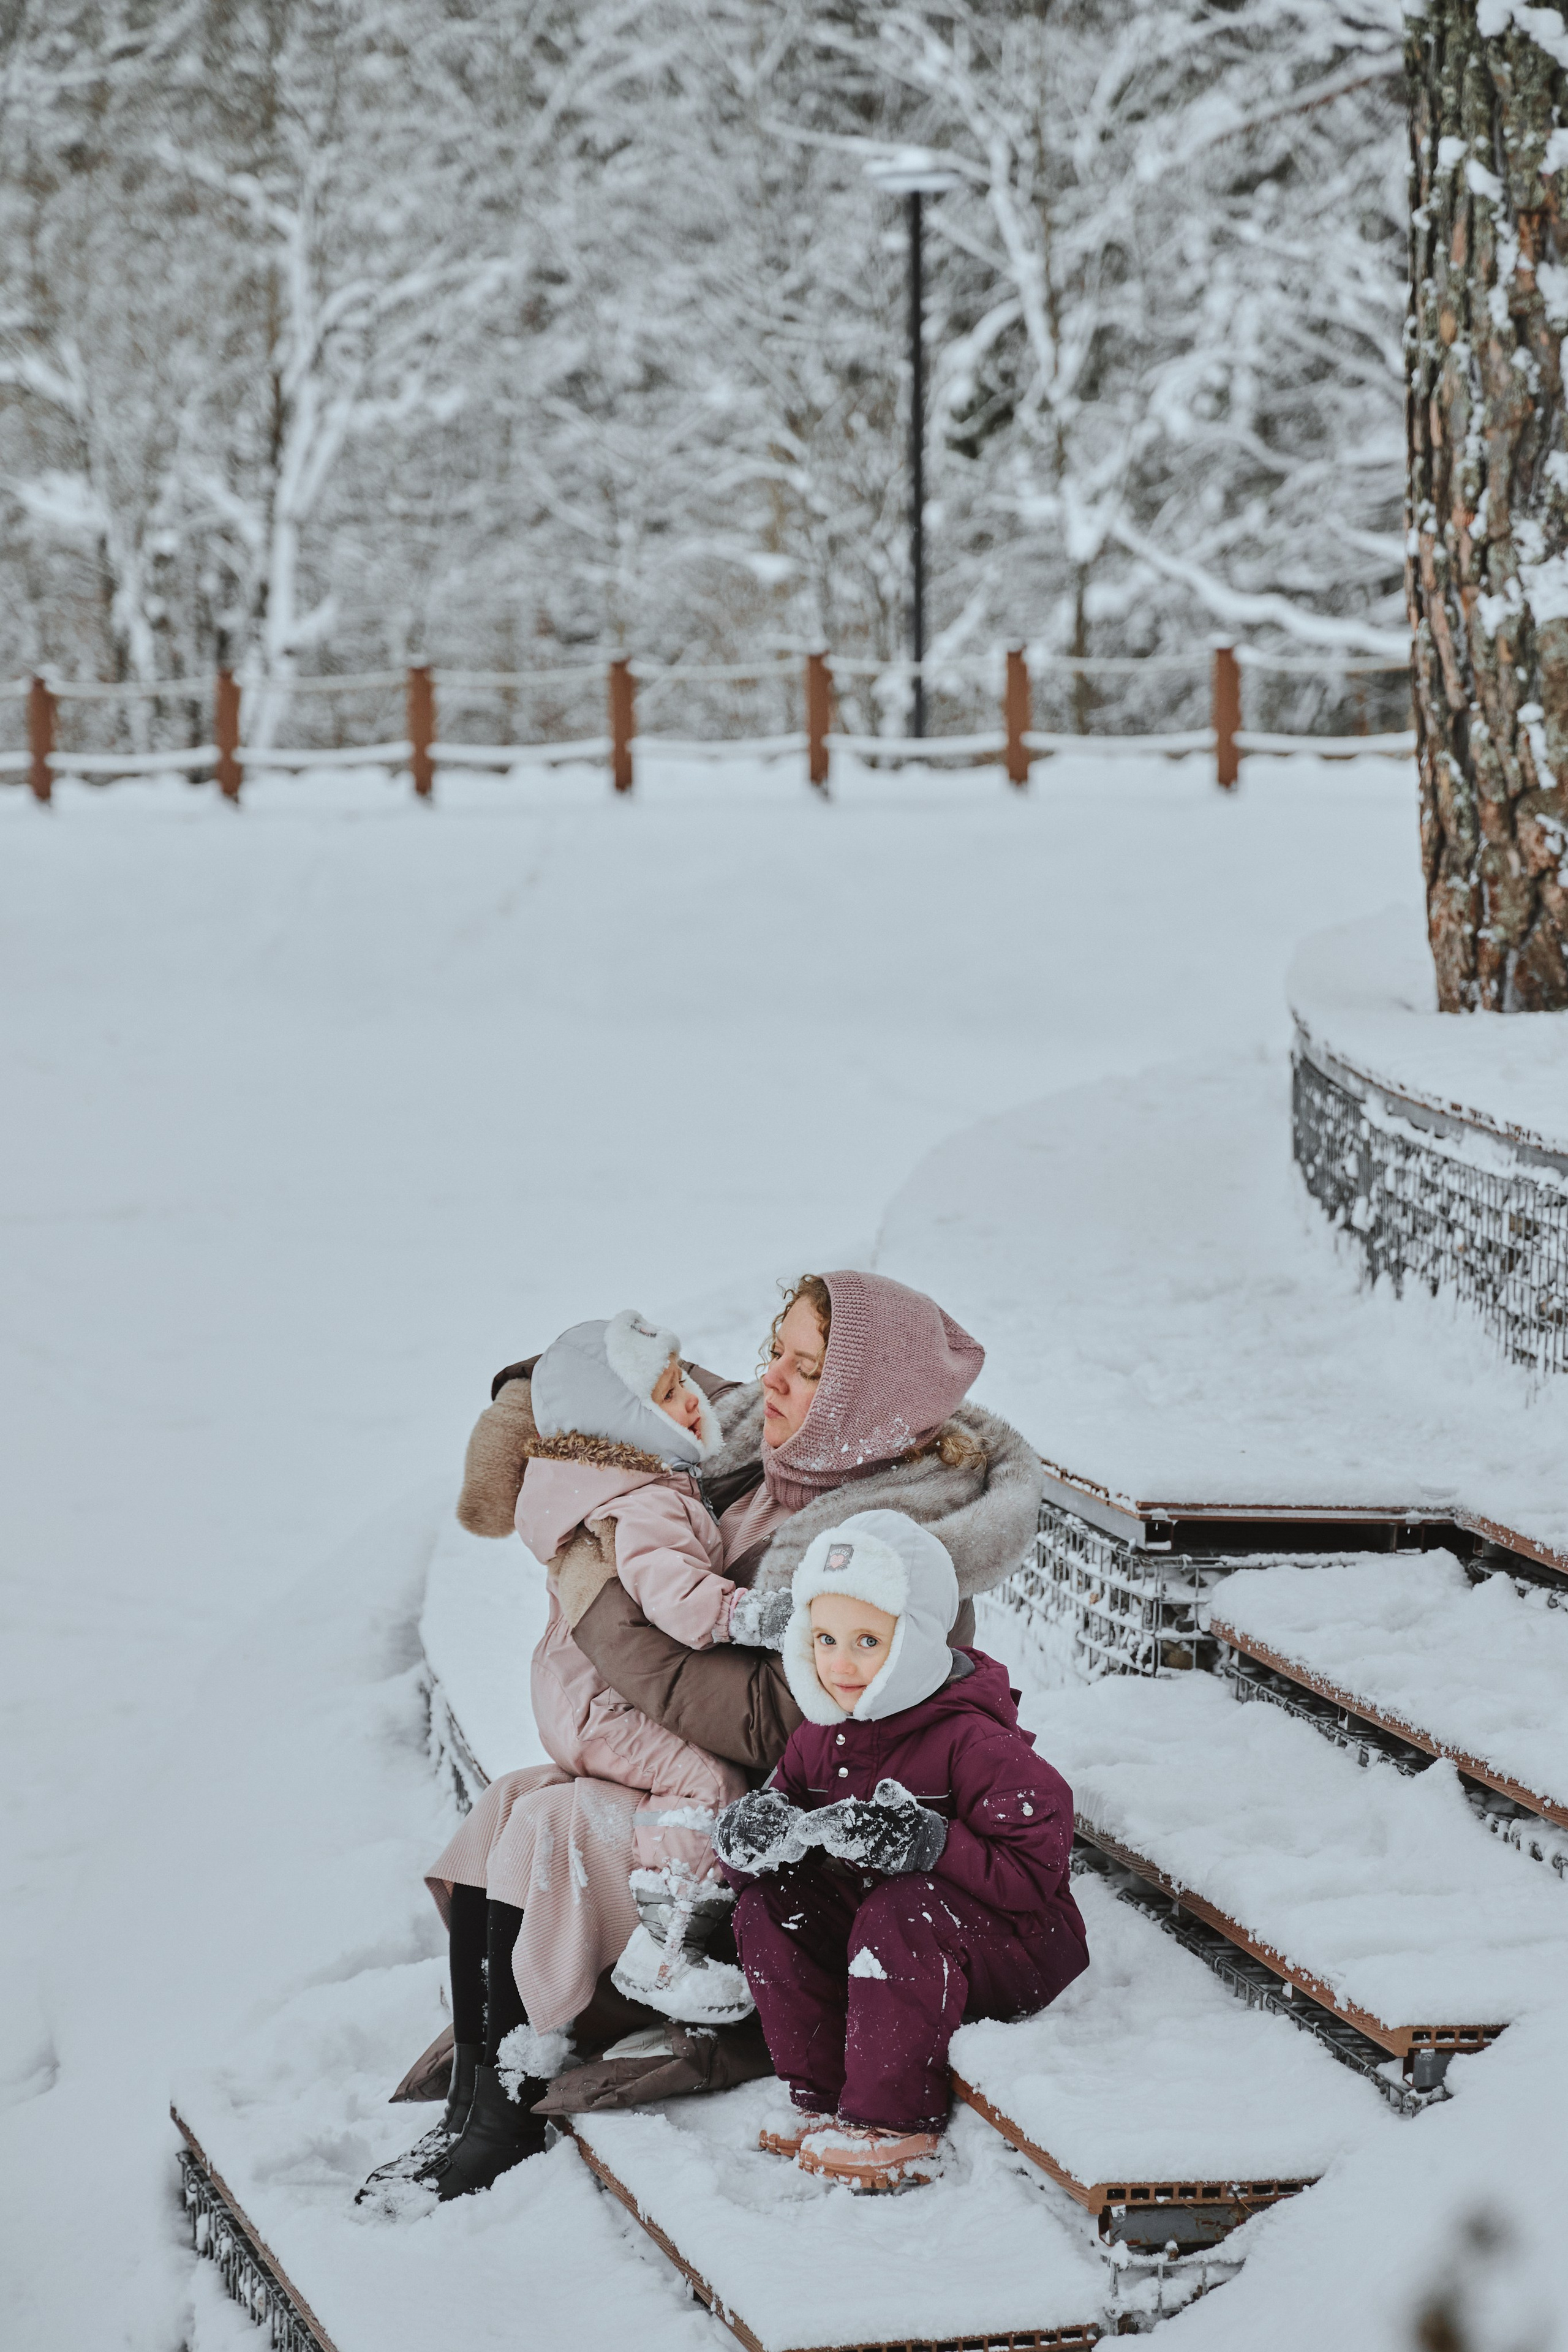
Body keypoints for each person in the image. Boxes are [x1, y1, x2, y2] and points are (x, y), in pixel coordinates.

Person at [367, 1270, 1046, 2208]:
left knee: (554, 1829)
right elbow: (646, 1387)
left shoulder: (884, 1553)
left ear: (859, 1407)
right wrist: (546, 1389)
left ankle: (508, 2112)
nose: (773, 1381)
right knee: (511, 1804)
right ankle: (477, 2098)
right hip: (703, 1769)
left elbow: (783, 1718)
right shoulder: (772, 1463)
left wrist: (600, 1603)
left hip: (786, 1816)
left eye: (806, 1370)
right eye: (778, 1348)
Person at [713, 1509, 1089, 2192]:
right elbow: (769, 1844)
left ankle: (895, 2124)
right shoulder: (819, 1737)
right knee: (770, 1905)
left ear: (914, 1639)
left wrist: (930, 1841)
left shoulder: (970, 1738)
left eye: (867, 1640)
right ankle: (822, 2098)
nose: (841, 1663)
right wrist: (751, 1839)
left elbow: (1037, 1866)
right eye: (825, 1639)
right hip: (888, 1938)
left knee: (901, 1906)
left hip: (1009, 1947)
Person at [515, 1310, 782, 2021]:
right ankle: (663, 1954)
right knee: (703, 1779)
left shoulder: (622, 1482)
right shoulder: (644, 1500)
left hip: (582, 1699)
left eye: (681, 1380)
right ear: (624, 1419)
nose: (692, 1398)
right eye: (666, 1393)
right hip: (602, 1707)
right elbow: (679, 1599)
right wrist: (760, 1616)